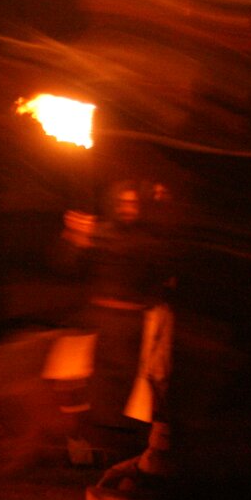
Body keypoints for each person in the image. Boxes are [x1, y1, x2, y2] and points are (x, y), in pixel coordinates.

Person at [49, 180, 180, 475]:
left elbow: (163, 277)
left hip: (134, 323)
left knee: (144, 383)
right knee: (69, 368)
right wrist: (73, 239)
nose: (127, 208)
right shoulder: (100, 232)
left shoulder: (151, 241)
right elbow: (65, 266)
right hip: (99, 317)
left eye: (133, 203)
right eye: (122, 202)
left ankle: (135, 448)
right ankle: (76, 429)